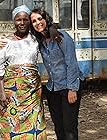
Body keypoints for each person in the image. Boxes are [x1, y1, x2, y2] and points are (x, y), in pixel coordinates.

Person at [30, 9, 84, 140]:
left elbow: (71, 63)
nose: (38, 23)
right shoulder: (40, 41)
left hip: (68, 86)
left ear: (46, 19)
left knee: (69, 127)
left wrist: (72, 89)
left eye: (39, 18)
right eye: (34, 21)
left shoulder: (61, 37)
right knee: (58, 126)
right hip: (53, 88)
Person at [0, 5, 47, 140]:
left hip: (33, 92)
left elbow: (49, 31)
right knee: (11, 122)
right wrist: (2, 93)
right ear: (14, 21)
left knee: (34, 123)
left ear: (29, 21)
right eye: (18, 20)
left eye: (25, 19)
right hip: (12, 93)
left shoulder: (35, 39)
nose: (22, 23)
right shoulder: (5, 42)